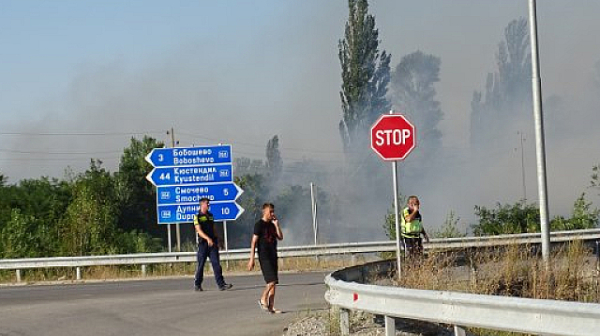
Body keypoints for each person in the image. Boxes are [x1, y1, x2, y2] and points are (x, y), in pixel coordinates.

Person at [247, 203, 283, 314]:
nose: (272, 214)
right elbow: (253, 242)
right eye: (270, 211)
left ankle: (271, 306)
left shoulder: (272, 224)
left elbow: (280, 237)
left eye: (273, 211)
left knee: (274, 283)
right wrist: (251, 259)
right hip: (264, 256)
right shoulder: (259, 225)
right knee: (271, 280)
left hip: (273, 255)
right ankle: (263, 299)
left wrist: (277, 225)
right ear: (264, 211)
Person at [193, 197, 232, 291]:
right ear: (202, 204)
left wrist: (219, 239)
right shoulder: (197, 216)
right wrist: (207, 239)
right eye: (207, 203)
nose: (209, 205)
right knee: (201, 265)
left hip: (212, 243)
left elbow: (214, 228)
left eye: (209, 203)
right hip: (203, 244)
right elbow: (198, 230)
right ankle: (197, 284)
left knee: (216, 264)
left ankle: (221, 284)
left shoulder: (210, 215)